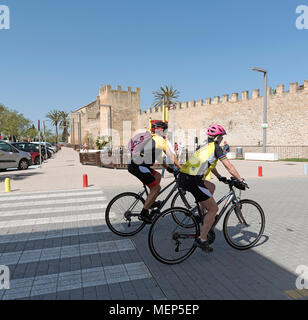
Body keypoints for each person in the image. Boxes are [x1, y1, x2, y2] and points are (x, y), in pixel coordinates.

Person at [178, 124, 246, 252]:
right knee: (214, 209)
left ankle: (202, 215)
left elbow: (211, 164)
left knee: (211, 186)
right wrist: (240, 180)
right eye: (221, 137)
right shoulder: (216, 148)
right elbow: (229, 166)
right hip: (193, 180)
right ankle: (202, 239)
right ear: (218, 137)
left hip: (184, 177)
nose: (221, 139)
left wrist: (220, 177)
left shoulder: (204, 146)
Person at [128, 122, 181, 223]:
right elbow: (171, 156)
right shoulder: (160, 140)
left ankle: (150, 202)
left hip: (138, 166)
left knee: (157, 176)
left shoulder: (152, 139)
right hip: (139, 167)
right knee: (156, 188)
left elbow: (158, 157)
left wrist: (168, 168)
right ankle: (143, 214)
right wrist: (181, 167)